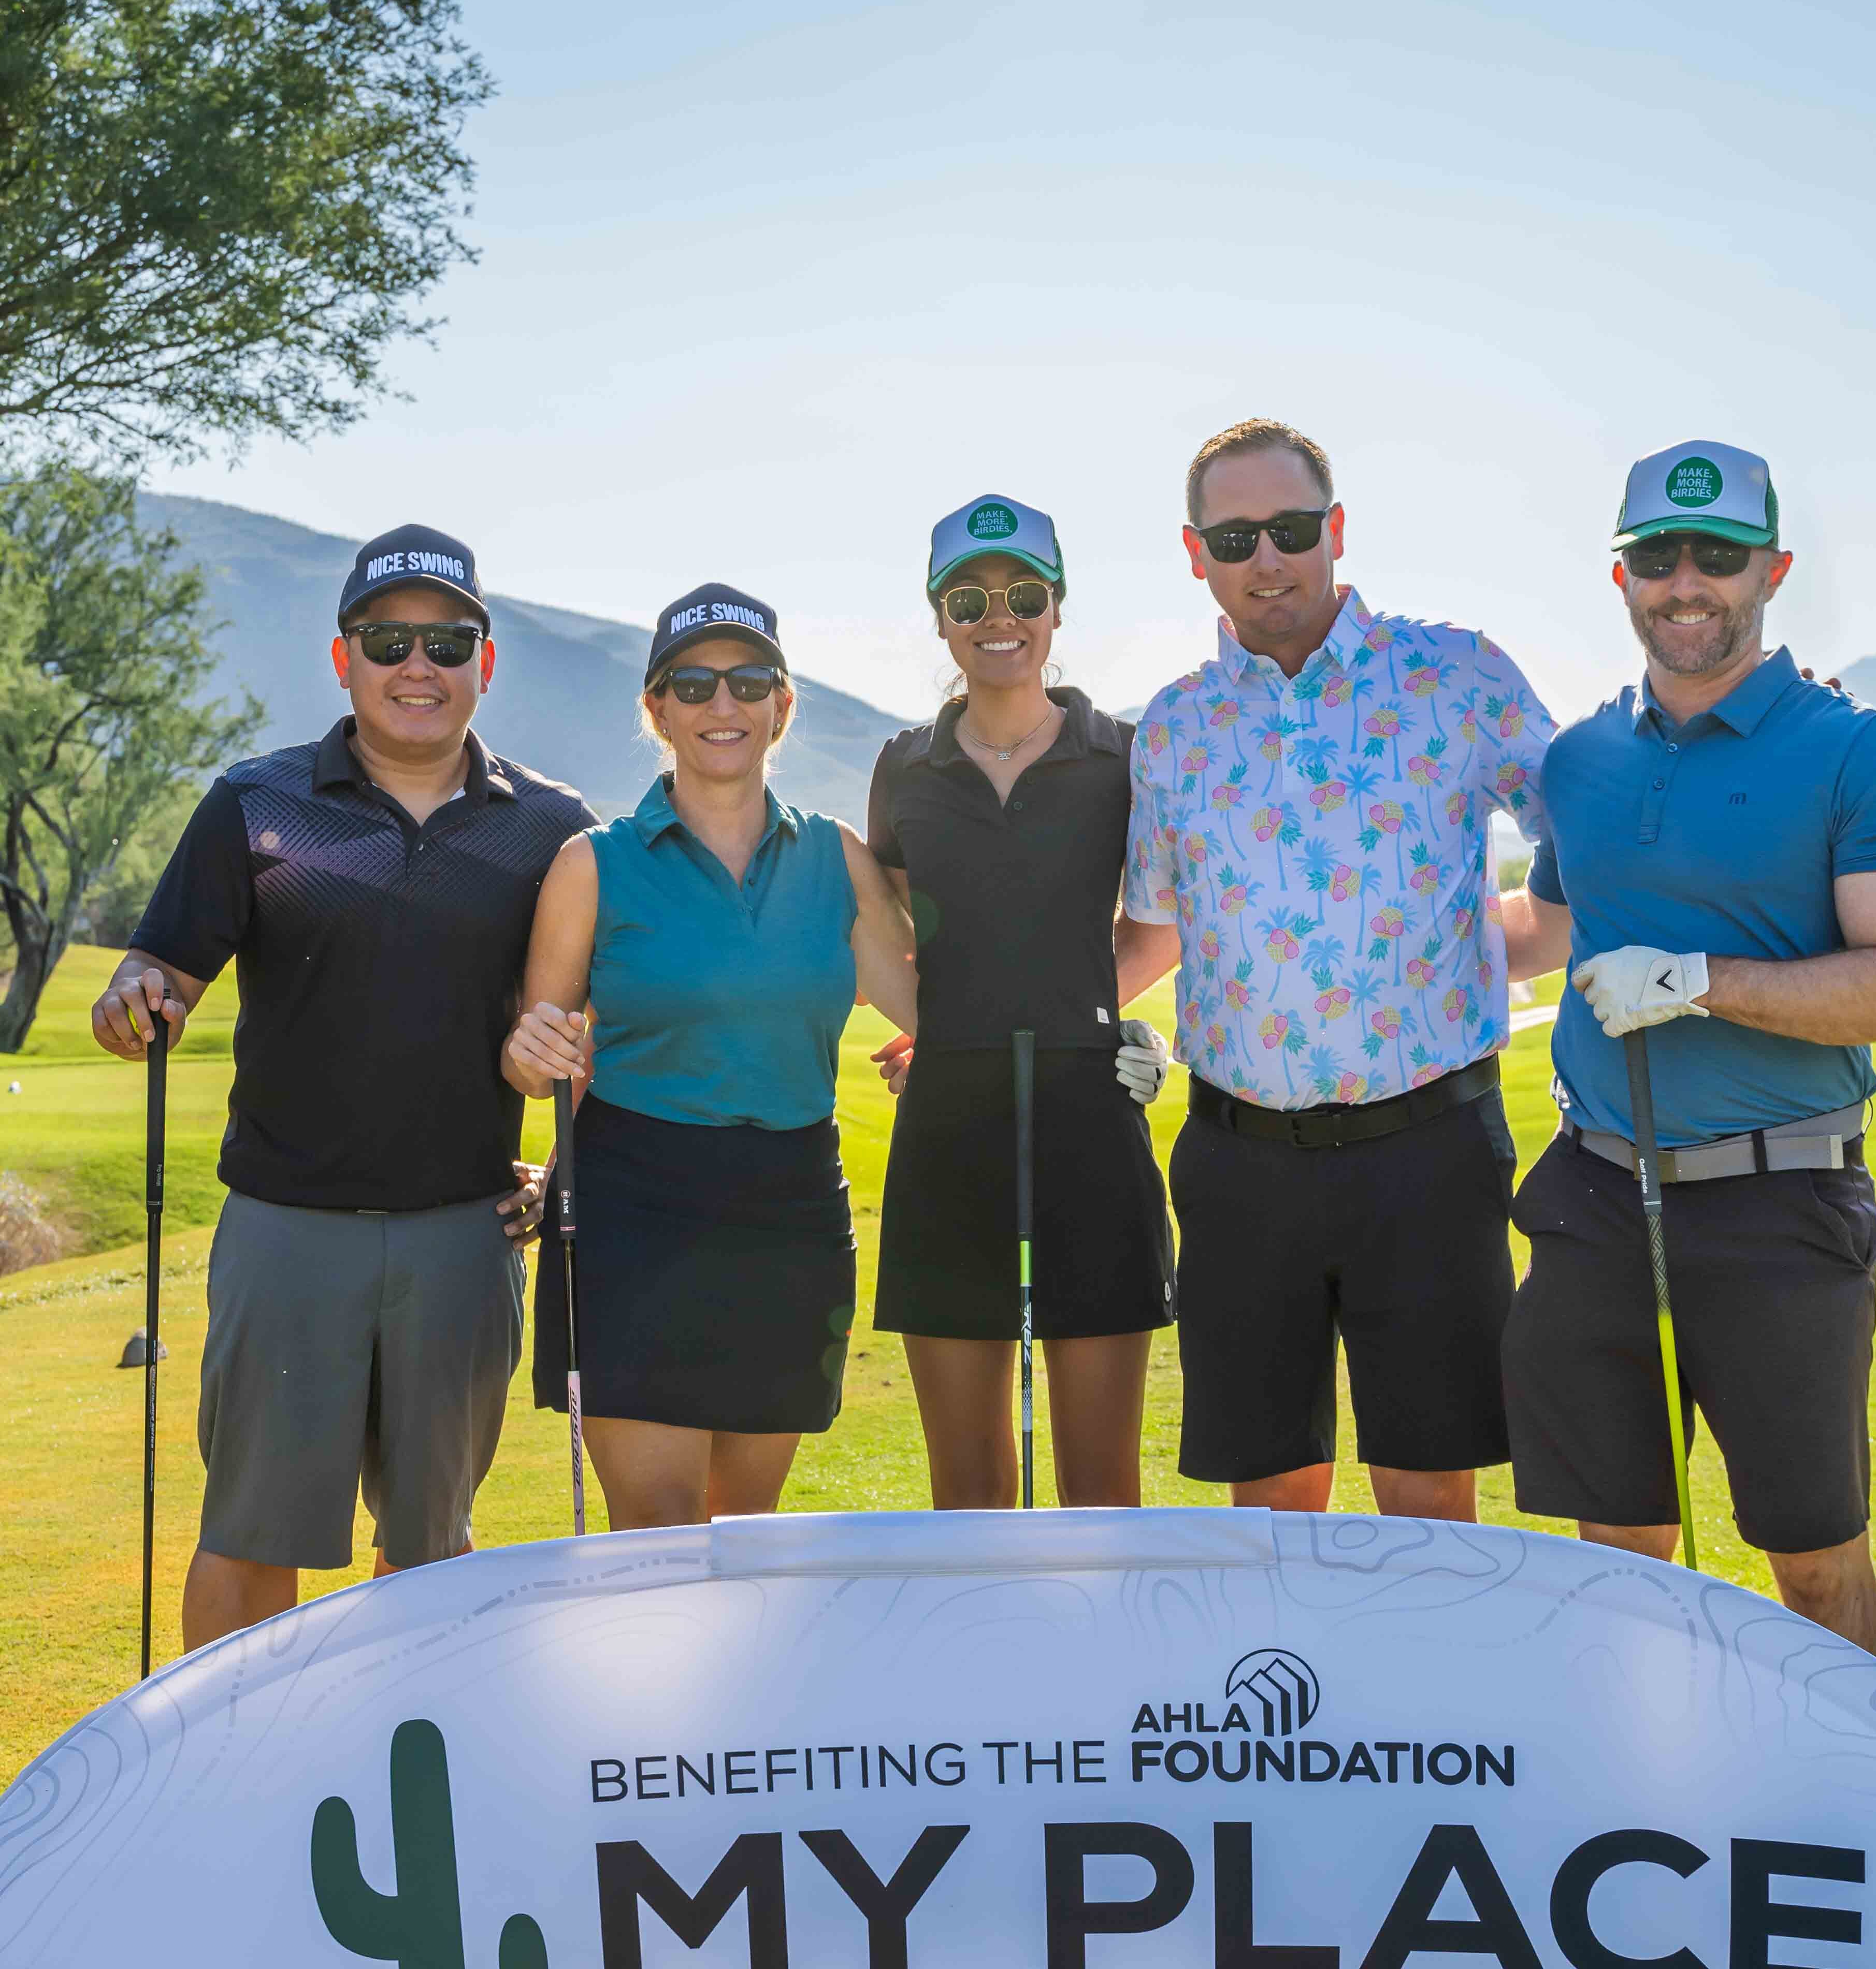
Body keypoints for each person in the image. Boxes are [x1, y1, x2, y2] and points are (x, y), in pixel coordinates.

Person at [1496, 439, 1876, 1661]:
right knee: (1616, 1554)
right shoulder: (1580, 761)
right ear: (1621, 576)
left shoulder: (1858, 752)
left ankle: (1857, 1814)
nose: (1686, 580)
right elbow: (1538, 934)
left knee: (1811, 1566)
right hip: (1596, 1194)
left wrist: (1701, 983)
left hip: (1779, 1202)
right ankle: (1632, 1796)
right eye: (1658, 555)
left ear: (1772, 569)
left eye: (1717, 555)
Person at [91, 524, 589, 1649]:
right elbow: (158, 971)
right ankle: (230, 1774)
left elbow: (590, 1027)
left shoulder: (555, 829)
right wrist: (131, 1001)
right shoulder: (255, 804)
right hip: (285, 1225)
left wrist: (559, 1171)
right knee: (251, 1533)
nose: (418, 665)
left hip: (462, 1232)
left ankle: (400, 1774)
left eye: (446, 641)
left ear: (485, 662)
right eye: (387, 640)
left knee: (431, 1547)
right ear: (343, 658)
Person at [1122, 417, 1557, 1519]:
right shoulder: (1173, 729)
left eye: (1289, 527)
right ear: (1193, 553)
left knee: (1425, 1499)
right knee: (1270, 1512)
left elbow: (1591, 834)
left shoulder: (1454, 673)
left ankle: (1422, 1701)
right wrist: (982, 1026)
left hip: (1428, 1152)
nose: (1263, 558)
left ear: (1337, 530)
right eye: (1233, 537)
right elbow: (1158, 929)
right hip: (1239, 1163)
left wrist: (1524, 934)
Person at [499, 585, 918, 1530]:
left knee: (746, 1533)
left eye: (748, 682)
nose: (721, 706)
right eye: (692, 685)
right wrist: (530, 1052)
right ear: (656, 708)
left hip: (792, 1208)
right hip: (632, 1207)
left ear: (782, 704)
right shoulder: (593, 863)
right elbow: (537, 1054)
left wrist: (1096, 1025)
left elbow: (937, 1008)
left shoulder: (835, 859)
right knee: (655, 1530)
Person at [863, 494, 1177, 1509]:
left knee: (1099, 1481)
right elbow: (902, 929)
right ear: (938, 613)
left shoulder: (1124, 757)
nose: (997, 614)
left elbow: (1157, 927)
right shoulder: (903, 763)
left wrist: (1094, 1016)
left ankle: (1106, 1670)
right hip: (947, 1127)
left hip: (1092, 1119)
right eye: (968, 596)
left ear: (1056, 606)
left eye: (1022, 592)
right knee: (966, 1488)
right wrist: (951, 1027)